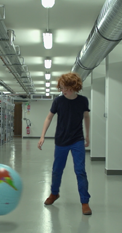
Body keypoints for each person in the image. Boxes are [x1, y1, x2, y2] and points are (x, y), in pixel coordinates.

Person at [38, 72, 92, 215]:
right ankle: (54, 193)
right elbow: (49, 118)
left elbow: (86, 116)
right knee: (57, 170)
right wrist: (42, 135)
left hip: (77, 140)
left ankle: (85, 202)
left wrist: (88, 135)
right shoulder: (58, 101)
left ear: (74, 87)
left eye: (66, 88)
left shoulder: (83, 101)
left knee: (80, 171)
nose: (63, 91)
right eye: (61, 88)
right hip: (61, 140)